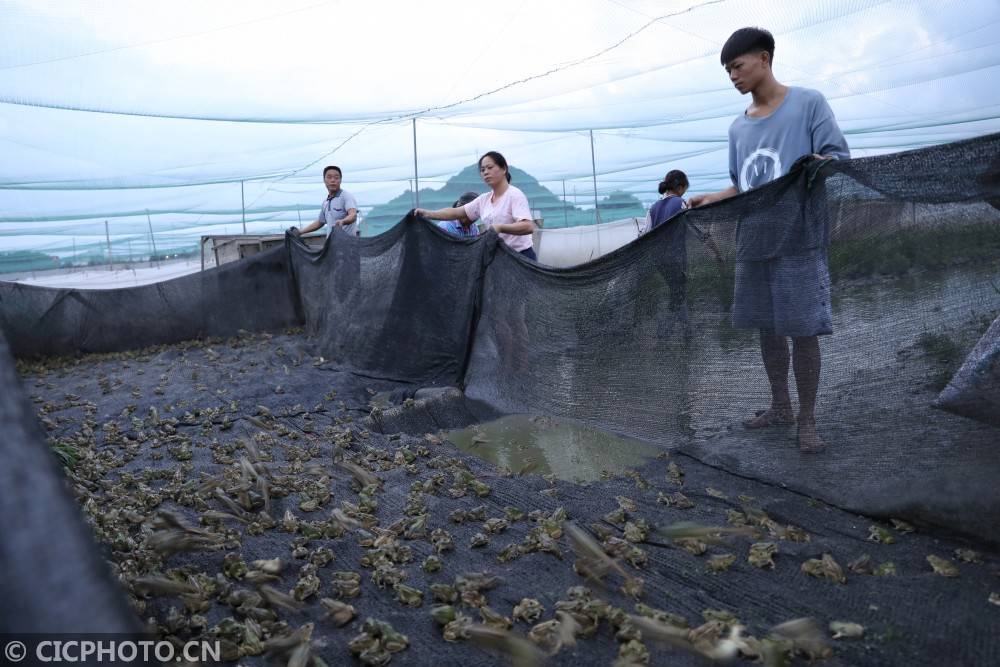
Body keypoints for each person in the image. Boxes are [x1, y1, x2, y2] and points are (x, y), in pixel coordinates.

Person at [687, 27, 850, 453]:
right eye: (727, 71)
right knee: (767, 328)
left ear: (764, 58)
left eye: (737, 66)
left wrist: (818, 164)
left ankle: (808, 420)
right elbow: (744, 185)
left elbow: (837, 158)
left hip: (798, 239)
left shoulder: (807, 103)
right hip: (753, 241)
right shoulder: (738, 129)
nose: (733, 77)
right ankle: (781, 406)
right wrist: (712, 197)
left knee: (802, 330)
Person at [415, 151, 537, 260]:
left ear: (504, 169)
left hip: (521, 257)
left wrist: (500, 227)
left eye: (490, 167)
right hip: (500, 258)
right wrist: (427, 213)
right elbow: (456, 212)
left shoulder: (514, 195)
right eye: (483, 170)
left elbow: (528, 226)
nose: (486, 172)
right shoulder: (484, 200)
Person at [644, 170, 691, 339]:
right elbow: (691, 225)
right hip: (676, 258)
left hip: (658, 259)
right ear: (680, 187)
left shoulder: (653, 208)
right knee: (677, 294)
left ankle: (686, 330)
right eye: (685, 189)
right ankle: (665, 331)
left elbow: (645, 234)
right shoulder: (680, 203)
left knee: (677, 291)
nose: (685, 192)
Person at [290, 165, 359, 237]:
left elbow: (353, 215)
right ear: (324, 180)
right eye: (329, 177)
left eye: (336, 178)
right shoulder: (326, 202)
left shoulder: (346, 196)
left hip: (347, 245)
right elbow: (320, 222)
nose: (333, 180)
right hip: (332, 245)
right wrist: (300, 231)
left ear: (340, 180)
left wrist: (343, 221)